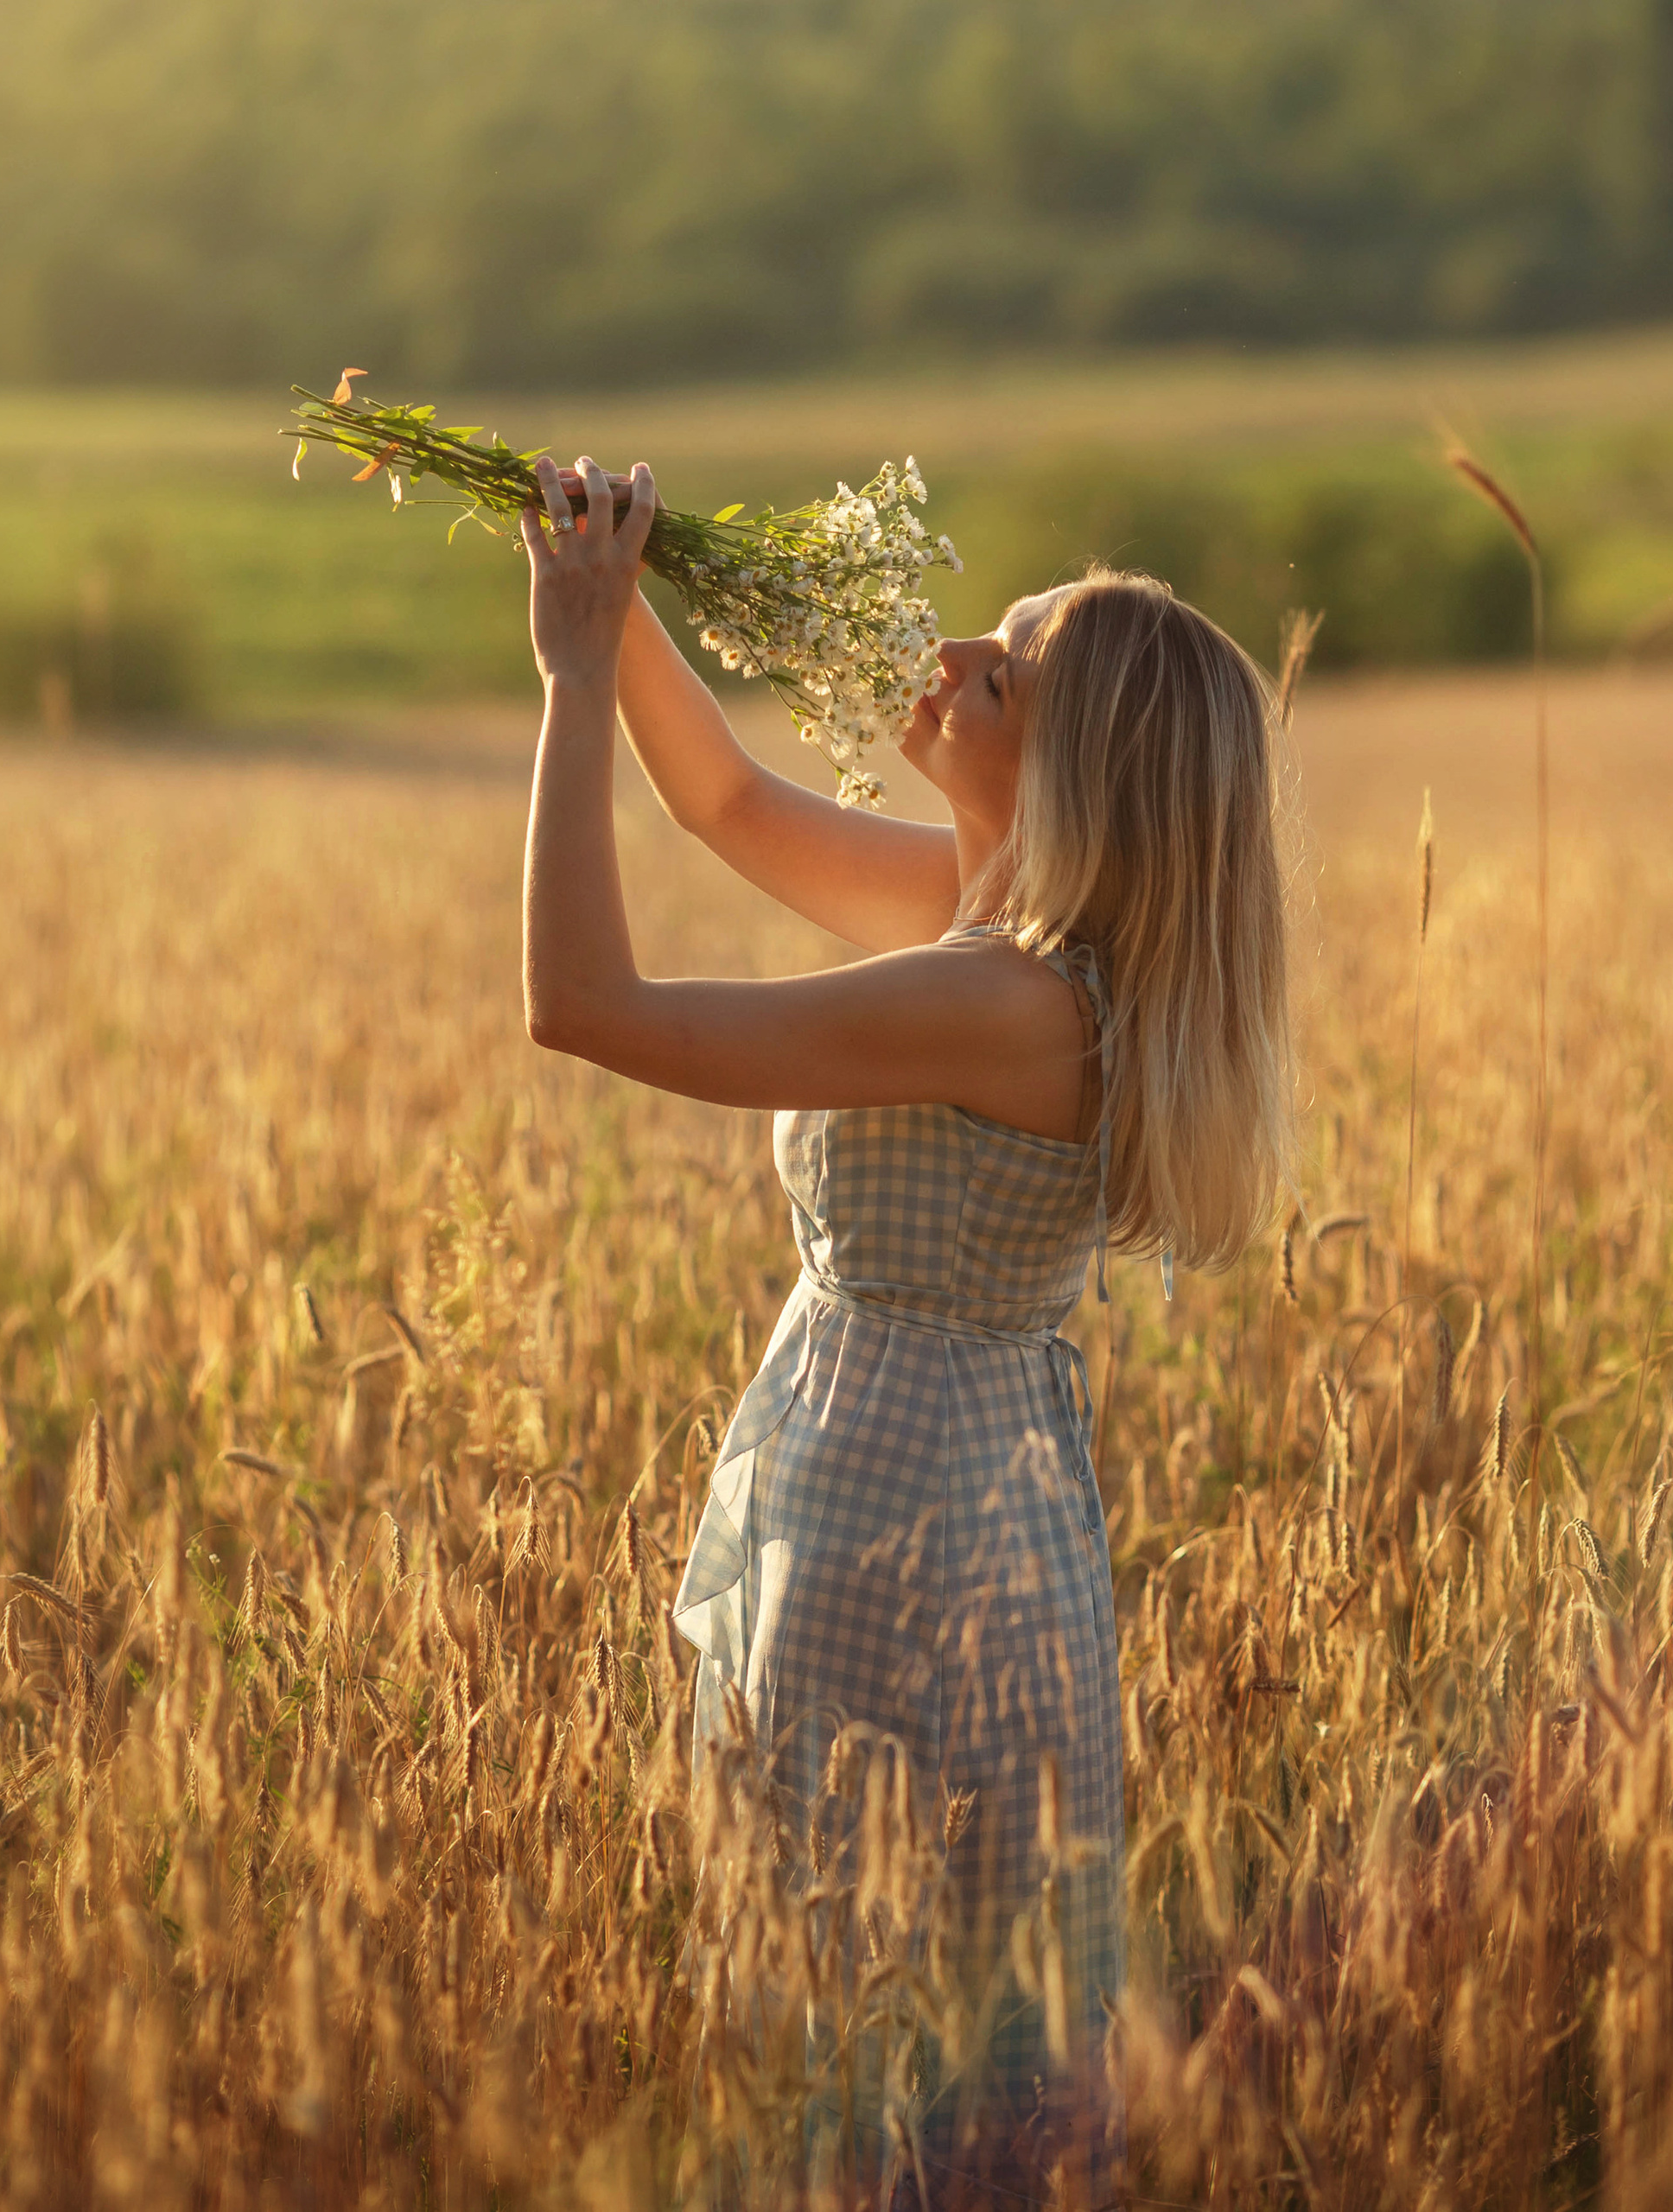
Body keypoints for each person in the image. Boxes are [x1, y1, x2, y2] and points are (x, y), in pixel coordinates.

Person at [518, 454, 1293, 2209]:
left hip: (897, 1544)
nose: (948, 657)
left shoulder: (1003, 1000)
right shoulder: (1008, 935)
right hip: (944, 1502)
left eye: (1001, 674)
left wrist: (571, 675)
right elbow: (721, 798)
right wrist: (608, 589)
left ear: (1076, 771)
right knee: (889, 2019)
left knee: (862, 2023)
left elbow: (582, 1004)